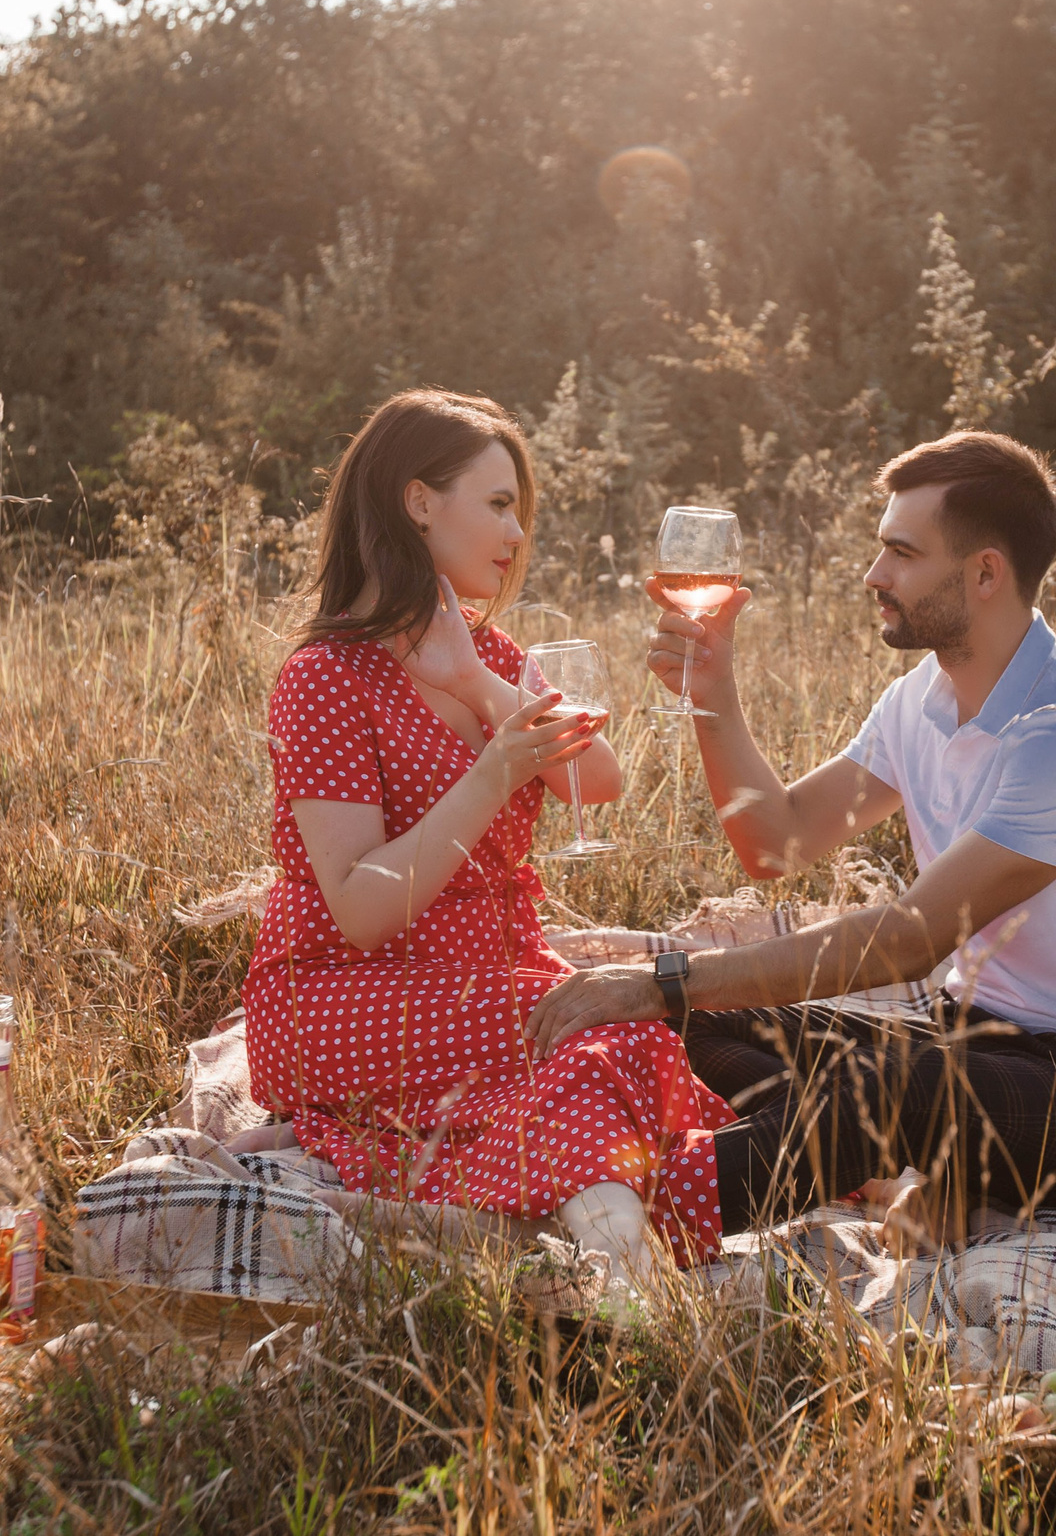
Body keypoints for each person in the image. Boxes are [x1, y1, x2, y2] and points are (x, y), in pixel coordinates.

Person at [526, 431, 1056, 1243]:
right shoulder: (920, 699)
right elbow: (775, 843)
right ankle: (887, 1168)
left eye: (902, 554)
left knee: (863, 1085)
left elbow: (910, 939)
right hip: (966, 1040)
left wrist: (666, 977)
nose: (874, 574)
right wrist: (714, 691)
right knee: (688, 1022)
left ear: (986, 572)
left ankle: (602, 1231)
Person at [242, 388, 731, 1283]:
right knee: (612, 1042)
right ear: (419, 502)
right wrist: (494, 773)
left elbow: (598, 780)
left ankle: (596, 1249)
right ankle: (628, 1273)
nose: (517, 532)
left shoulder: (492, 655)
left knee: (615, 1034)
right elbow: (359, 910)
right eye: (499, 503)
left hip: (486, 977)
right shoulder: (323, 679)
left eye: (519, 509)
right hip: (346, 992)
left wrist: (474, 683)